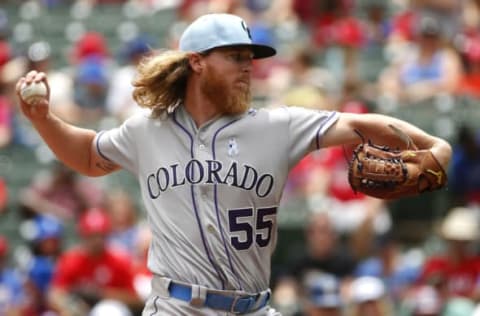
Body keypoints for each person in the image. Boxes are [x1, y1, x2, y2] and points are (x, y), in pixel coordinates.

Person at [15, 13, 452, 315]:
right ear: (197, 62)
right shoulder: (147, 131)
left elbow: (359, 124)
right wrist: (43, 119)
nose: (249, 68)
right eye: (236, 57)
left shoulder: (277, 126)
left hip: (254, 306)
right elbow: (89, 156)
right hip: (176, 307)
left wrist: (435, 144)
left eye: (250, 59)